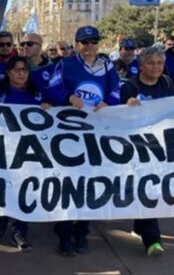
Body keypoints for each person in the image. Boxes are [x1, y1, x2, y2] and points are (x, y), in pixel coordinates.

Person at [48, 25, 119, 256]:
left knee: (92, 182)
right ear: (77, 44)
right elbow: (51, 90)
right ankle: (65, 233)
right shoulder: (65, 64)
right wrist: (68, 97)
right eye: (84, 42)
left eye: (93, 42)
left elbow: (116, 91)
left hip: (96, 132)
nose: (89, 46)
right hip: (68, 131)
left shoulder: (107, 65)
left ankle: (82, 231)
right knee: (68, 183)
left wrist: (109, 103)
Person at [120, 45, 174, 257]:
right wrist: (127, 105)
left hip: (161, 144)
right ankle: (153, 239)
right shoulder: (130, 86)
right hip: (137, 145)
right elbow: (116, 115)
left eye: (160, 63)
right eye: (151, 63)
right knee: (146, 186)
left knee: (151, 188)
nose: (156, 67)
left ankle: (141, 228)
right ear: (140, 66)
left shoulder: (167, 82)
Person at [0, 56, 51, 252]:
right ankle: (1, 216)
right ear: (8, 72)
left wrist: (48, 107)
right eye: (17, 70)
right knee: (4, 186)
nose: (21, 73)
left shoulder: (37, 92)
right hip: (4, 147)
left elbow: (53, 107)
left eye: (24, 70)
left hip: (29, 150)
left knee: (25, 189)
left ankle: (19, 230)